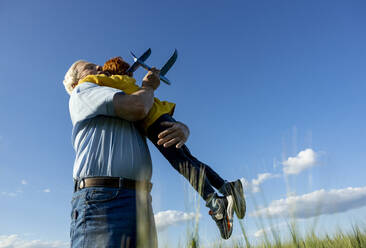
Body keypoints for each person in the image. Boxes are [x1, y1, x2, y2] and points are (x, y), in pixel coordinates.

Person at [76, 56, 247, 239]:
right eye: (92, 67)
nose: (99, 68)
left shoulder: (108, 82)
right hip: (163, 118)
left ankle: (215, 202)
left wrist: (95, 77)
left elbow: (131, 100)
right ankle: (228, 187)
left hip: (155, 124)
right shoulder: (124, 82)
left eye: (101, 68)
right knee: (191, 160)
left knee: (182, 163)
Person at [63, 60, 189, 247]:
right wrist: (148, 87)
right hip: (103, 199)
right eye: (90, 67)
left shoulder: (118, 93)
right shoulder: (83, 90)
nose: (99, 68)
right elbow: (138, 106)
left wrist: (183, 129)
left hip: (140, 198)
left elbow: (153, 116)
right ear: (75, 83)